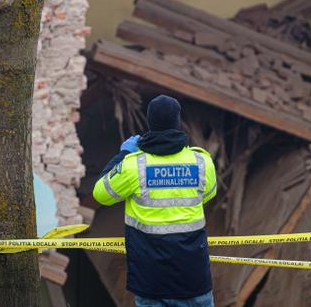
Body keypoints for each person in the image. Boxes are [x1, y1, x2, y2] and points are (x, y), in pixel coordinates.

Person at [92, 95, 217, 307]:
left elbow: (100, 194)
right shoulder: (202, 161)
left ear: (150, 123)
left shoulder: (134, 166)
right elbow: (208, 194)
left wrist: (122, 154)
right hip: (194, 280)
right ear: (178, 123)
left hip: (151, 283)